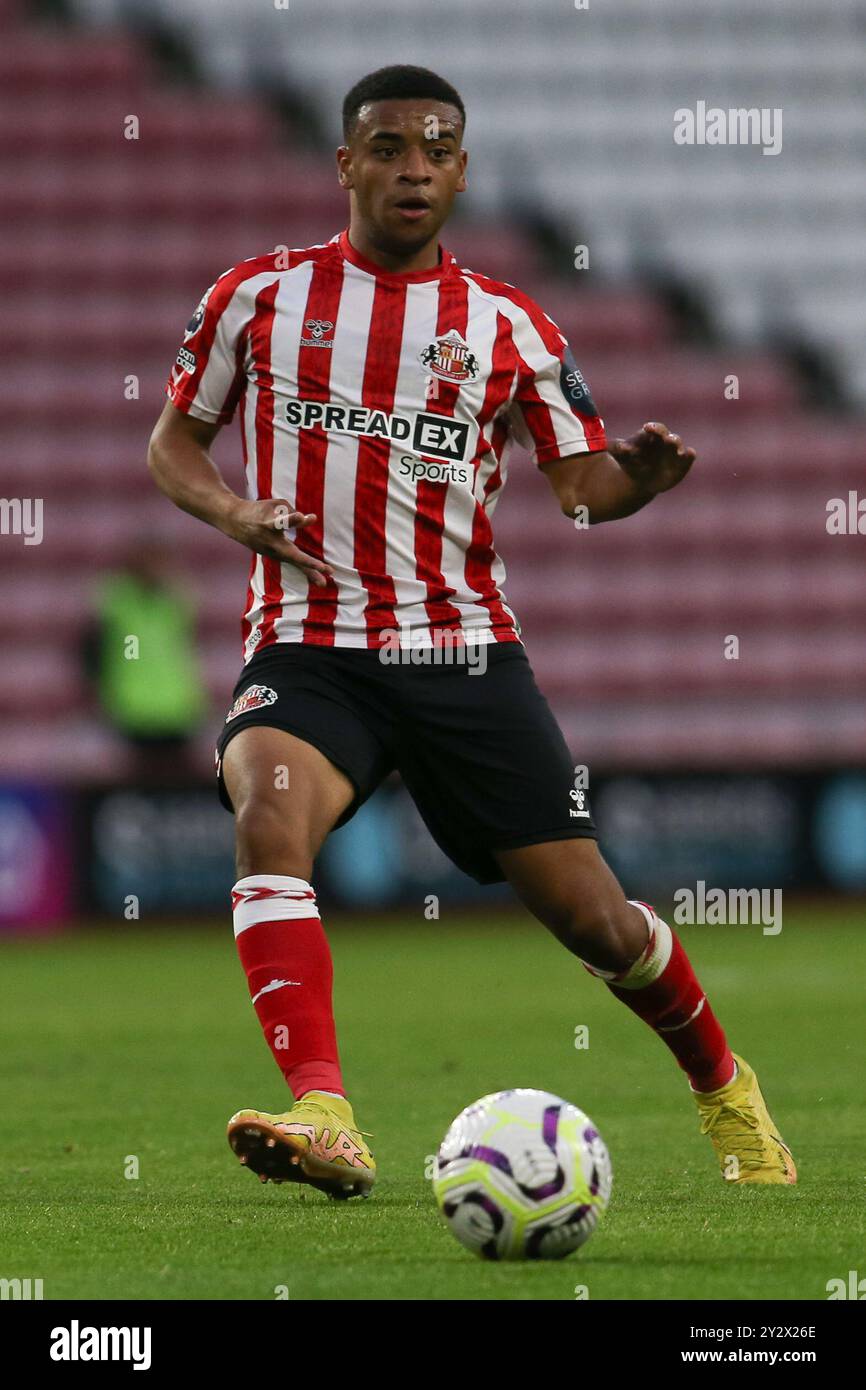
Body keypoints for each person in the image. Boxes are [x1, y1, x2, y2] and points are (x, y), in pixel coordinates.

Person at [147, 65, 796, 1200]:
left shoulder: (507, 323)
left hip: (461, 652)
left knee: (595, 918)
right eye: (389, 148)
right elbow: (173, 443)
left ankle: (722, 1084)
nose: (413, 169)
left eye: (436, 151)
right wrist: (234, 511)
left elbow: (580, 491)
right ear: (345, 163)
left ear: (461, 170)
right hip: (309, 641)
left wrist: (635, 481)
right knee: (268, 815)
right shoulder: (256, 295)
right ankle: (326, 1111)